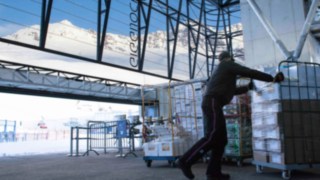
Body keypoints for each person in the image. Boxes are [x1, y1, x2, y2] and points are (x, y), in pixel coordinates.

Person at [177, 51, 284, 180]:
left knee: (221, 141)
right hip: (212, 102)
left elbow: (231, 91)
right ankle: (185, 161)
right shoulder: (227, 65)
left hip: (213, 103)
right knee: (213, 136)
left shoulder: (222, 72)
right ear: (229, 58)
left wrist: (247, 87)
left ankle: (213, 173)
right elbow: (249, 72)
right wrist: (271, 78)